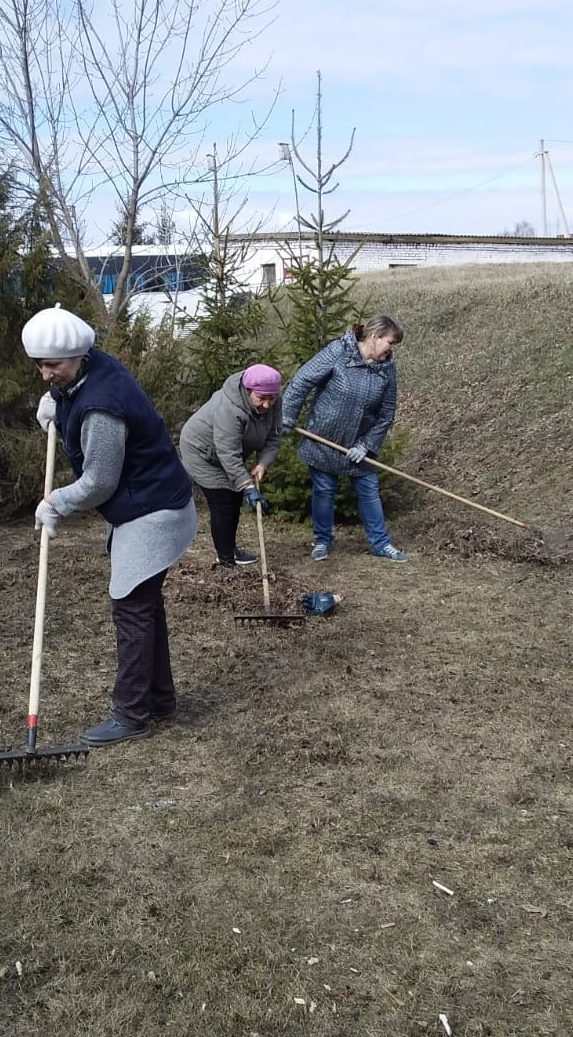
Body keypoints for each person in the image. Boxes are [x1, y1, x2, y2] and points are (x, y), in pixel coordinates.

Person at [25, 303, 197, 749]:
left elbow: (99, 481)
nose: (45, 374)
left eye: (52, 367)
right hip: (146, 503)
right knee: (144, 604)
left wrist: (55, 503)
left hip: (154, 511)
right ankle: (159, 701)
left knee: (132, 607)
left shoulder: (102, 404)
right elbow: (74, 395)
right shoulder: (89, 369)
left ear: (77, 354)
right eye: (39, 366)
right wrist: (57, 406)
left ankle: (131, 714)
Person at [280, 315, 408, 562]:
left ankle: (381, 544)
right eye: (390, 343)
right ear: (374, 336)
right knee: (324, 491)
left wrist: (367, 444)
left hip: (359, 445)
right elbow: (301, 381)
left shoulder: (387, 368)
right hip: (323, 439)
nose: (392, 350)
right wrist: (287, 417)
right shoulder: (340, 351)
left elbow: (387, 412)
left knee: (369, 491)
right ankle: (322, 541)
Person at [179, 363, 283, 569]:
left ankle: (230, 550)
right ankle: (225, 560)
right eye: (261, 398)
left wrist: (263, 463)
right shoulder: (229, 408)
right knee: (223, 501)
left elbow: (274, 437)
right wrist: (247, 485)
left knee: (234, 497)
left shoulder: (274, 402)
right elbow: (228, 452)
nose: (266, 405)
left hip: (226, 455)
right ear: (248, 390)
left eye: (271, 399)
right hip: (202, 453)